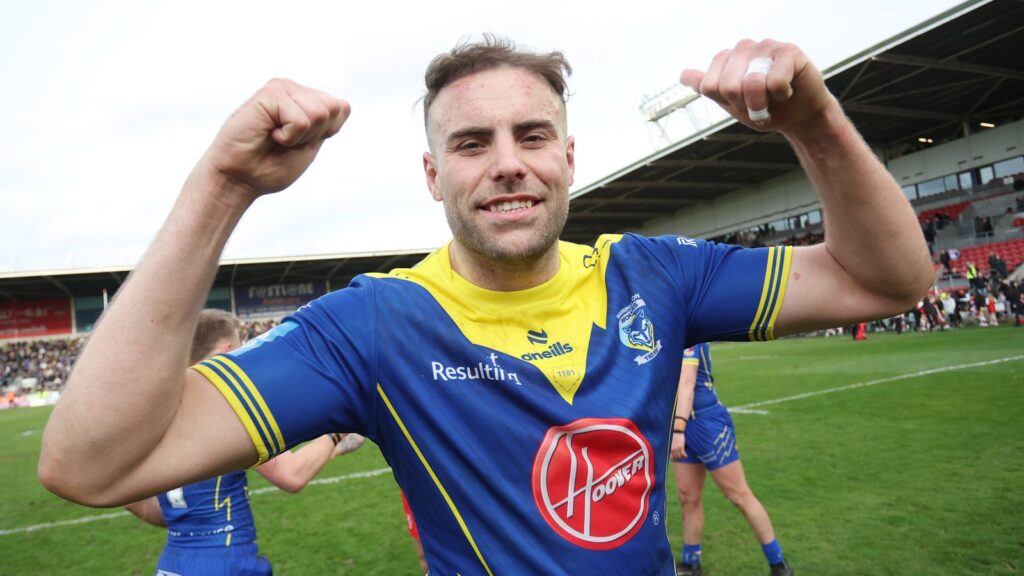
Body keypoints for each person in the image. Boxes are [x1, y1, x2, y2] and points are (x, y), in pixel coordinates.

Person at [39, 36, 933, 573]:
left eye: (531, 135)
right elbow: (91, 467)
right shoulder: (372, 326)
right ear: (434, 175)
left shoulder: (657, 275)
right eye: (471, 143)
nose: (507, 161)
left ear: (569, 158)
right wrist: (223, 186)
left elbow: (890, 280)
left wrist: (813, 120)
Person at [123, 309, 365, 575]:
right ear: (227, 350)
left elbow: (135, 500)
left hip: (174, 563)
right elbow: (291, 474)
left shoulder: (161, 408)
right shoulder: (221, 402)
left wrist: (187, 521)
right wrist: (337, 434)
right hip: (226, 560)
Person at [671, 344, 791, 576]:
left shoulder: (690, 334)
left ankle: (780, 565)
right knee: (687, 496)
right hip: (683, 426)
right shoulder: (666, 329)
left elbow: (687, 384)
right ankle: (691, 563)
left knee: (738, 495)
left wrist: (677, 429)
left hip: (706, 424)